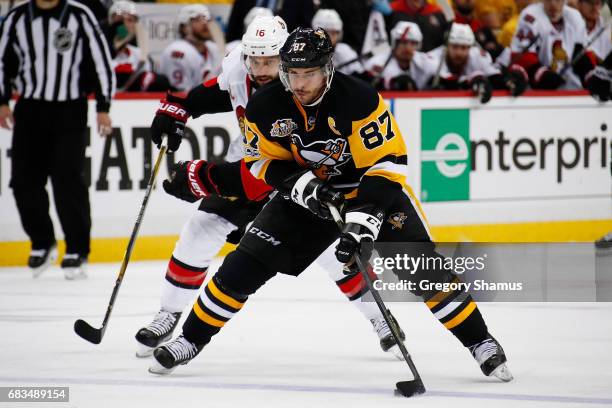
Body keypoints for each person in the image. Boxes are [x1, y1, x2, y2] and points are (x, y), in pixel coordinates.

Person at [148, 27, 513, 384]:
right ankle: (189, 340)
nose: (301, 83)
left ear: (327, 69)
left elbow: (387, 162)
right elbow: (261, 164)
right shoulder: (266, 105)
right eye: (292, 73)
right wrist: (302, 186)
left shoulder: (359, 98)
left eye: (309, 73)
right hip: (306, 198)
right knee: (242, 266)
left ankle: (480, 341)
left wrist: (364, 218)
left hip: (368, 192)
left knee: (423, 269)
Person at [136, 16, 407, 360]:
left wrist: (203, 177)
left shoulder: (305, 84)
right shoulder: (239, 68)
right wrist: (177, 109)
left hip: (304, 173)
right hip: (260, 161)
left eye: (270, 60)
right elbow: (213, 95)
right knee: (202, 227)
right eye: (255, 59)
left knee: (329, 249)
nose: (261, 69)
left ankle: (380, 318)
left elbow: (254, 179)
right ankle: (169, 313)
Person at [0, 0, 115, 280]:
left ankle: (77, 249)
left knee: (67, 179)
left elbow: (101, 61)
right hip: (29, 108)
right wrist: (2, 101)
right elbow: (1, 61)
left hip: (69, 109)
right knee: (23, 181)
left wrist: (103, 106)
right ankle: (42, 241)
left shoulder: (79, 14)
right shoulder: (17, 18)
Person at [510, 0, 609, 98]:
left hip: (571, 92)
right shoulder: (530, 16)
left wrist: (590, 77)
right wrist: (542, 74)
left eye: (558, 0)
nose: (553, 5)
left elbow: (581, 55)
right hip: (538, 94)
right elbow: (521, 56)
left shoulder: (574, 17)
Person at [429, 23, 528, 102]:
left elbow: (493, 76)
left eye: (463, 47)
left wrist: (508, 80)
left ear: (470, 47)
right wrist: (471, 80)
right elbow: (446, 83)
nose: (459, 52)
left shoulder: (477, 55)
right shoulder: (434, 58)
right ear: (447, 46)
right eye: (455, 46)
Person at [106, 0, 172, 92]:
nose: (125, 24)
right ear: (111, 21)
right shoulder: (99, 52)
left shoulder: (139, 55)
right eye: (120, 19)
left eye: (130, 20)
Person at [157, 5, 222, 92]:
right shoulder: (177, 52)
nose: (205, 23)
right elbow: (181, 95)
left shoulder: (214, 48)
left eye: (207, 19)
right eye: (197, 19)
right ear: (184, 28)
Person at [364, 21, 438, 90]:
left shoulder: (426, 61)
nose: (408, 48)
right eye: (403, 42)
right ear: (394, 43)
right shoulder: (377, 63)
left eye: (413, 43)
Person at [312, 8, 366, 77]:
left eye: (334, 33)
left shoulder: (345, 51)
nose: (330, 38)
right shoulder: (305, 53)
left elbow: (359, 77)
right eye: (326, 33)